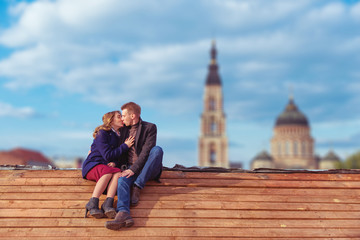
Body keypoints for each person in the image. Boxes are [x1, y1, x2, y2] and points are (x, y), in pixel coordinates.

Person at [105, 102, 163, 230]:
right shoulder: (123, 130)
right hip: (129, 167)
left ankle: (138, 186)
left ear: (133, 116)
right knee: (121, 180)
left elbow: (146, 152)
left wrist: (134, 169)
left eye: (124, 115)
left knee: (157, 150)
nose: (122, 118)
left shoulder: (150, 127)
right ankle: (123, 213)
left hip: (147, 168)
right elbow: (112, 144)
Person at [82, 111, 135, 219]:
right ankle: (92, 203)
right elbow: (107, 155)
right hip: (93, 165)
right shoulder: (103, 133)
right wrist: (125, 146)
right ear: (111, 120)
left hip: (105, 166)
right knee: (107, 173)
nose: (122, 119)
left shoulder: (118, 135)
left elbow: (117, 157)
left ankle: (108, 204)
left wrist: (115, 162)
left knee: (117, 174)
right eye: (119, 117)